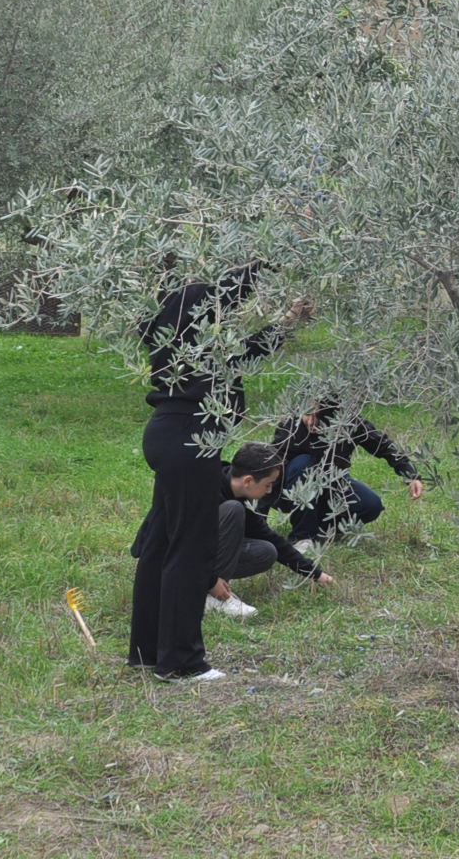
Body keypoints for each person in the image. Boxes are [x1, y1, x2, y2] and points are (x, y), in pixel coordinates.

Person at [127, 265, 312, 682]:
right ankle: (181, 663)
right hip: (189, 440)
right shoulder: (185, 311)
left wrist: (287, 321)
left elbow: (243, 355)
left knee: (161, 543)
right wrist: (264, 259)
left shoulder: (185, 338)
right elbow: (219, 292)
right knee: (188, 551)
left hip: (176, 437)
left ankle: (147, 650)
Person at [269, 398, 425, 551]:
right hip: (289, 491)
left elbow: (383, 445)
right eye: (308, 415)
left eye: (318, 418)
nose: (312, 423)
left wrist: (411, 475)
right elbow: (270, 466)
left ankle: (321, 527)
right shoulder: (291, 425)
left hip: (331, 484)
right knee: (303, 463)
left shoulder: (349, 423)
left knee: (371, 505)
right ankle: (303, 536)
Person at [200, 443, 334, 618]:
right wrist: (210, 581)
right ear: (248, 481)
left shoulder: (240, 496)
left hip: (203, 556)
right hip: (179, 560)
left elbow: (270, 537)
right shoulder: (205, 490)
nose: (270, 490)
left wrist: (315, 573)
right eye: (268, 484)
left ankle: (211, 593)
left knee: (266, 551)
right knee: (233, 509)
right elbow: (187, 543)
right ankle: (213, 595)